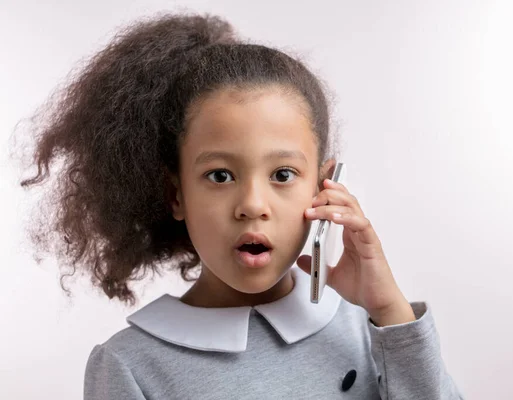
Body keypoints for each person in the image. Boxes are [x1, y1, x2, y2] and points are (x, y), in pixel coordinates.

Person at [15, 11, 464, 400]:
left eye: (283, 175)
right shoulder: (132, 365)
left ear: (323, 187)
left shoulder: (373, 328)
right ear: (177, 195)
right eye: (220, 176)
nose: (252, 205)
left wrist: (389, 311)